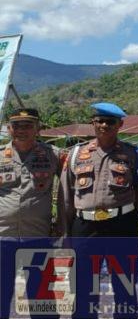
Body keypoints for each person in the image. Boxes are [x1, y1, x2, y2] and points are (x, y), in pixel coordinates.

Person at [58, 102, 138, 319]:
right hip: (85, 227)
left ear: (119, 124)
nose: (103, 125)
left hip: (120, 227)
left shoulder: (134, 154)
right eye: (98, 121)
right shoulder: (76, 154)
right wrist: (66, 232)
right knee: (83, 287)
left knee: (125, 286)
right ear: (93, 123)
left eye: (109, 122)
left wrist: (128, 216)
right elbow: (66, 196)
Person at [0, 108, 63, 319]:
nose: (22, 130)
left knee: (41, 298)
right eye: (17, 126)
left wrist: (63, 223)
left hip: (38, 237)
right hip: (3, 237)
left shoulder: (53, 155)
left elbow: (71, 190)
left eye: (28, 125)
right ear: (9, 129)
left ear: (37, 128)